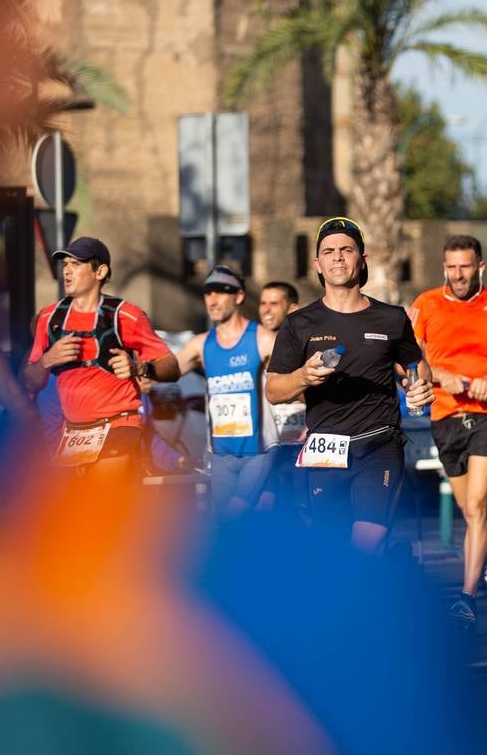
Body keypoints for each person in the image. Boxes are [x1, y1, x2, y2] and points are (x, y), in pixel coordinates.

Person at [266, 217, 434, 553]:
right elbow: (273, 390)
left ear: (362, 259)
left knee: (365, 544)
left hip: (378, 445)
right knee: (332, 551)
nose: (338, 257)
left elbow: (415, 366)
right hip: (326, 449)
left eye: (347, 249)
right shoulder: (299, 323)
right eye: (328, 251)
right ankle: (387, 575)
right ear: (318, 263)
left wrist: (420, 383)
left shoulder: (391, 318)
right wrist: (303, 377)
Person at [410, 235, 487, 629]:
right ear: (445, 267)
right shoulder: (426, 304)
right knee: (470, 510)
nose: (458, 275)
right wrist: (443, 376)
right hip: (445, 416)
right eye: (452, 267)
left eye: (465, 267)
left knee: (476, 507)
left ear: (480, 267)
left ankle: (467, 597)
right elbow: (406, 360)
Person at [24, 237, 181, 478]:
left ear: (100, 271)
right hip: (74, 433)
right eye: (65, 264)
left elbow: (171, 366)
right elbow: (31, 381)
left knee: (102, 494)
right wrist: (47, 360)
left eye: (76, 264)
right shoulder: (49, 318)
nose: (67, 271)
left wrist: (138, 367)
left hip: (119, 424)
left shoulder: (126, 315)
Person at [175, 266, 278, 516]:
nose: (213, 299)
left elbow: (291, 383)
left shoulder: (263, 339)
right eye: (208, 293)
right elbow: (168, 371)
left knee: (233, 515)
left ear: (239, 296)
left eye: (221, 292)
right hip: (220, 454)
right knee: (232, 526)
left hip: (259, 451)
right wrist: (141, 368)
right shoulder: (200, 344)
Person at [259, 280, 307, 512]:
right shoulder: (255, 348)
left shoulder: (306, 347)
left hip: (301, 445)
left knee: (303, 509)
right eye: (263, 303)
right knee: (266, 507)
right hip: (268, 445)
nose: (266, 309)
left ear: (292, 309)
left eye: (274, 304)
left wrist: (289, 389)